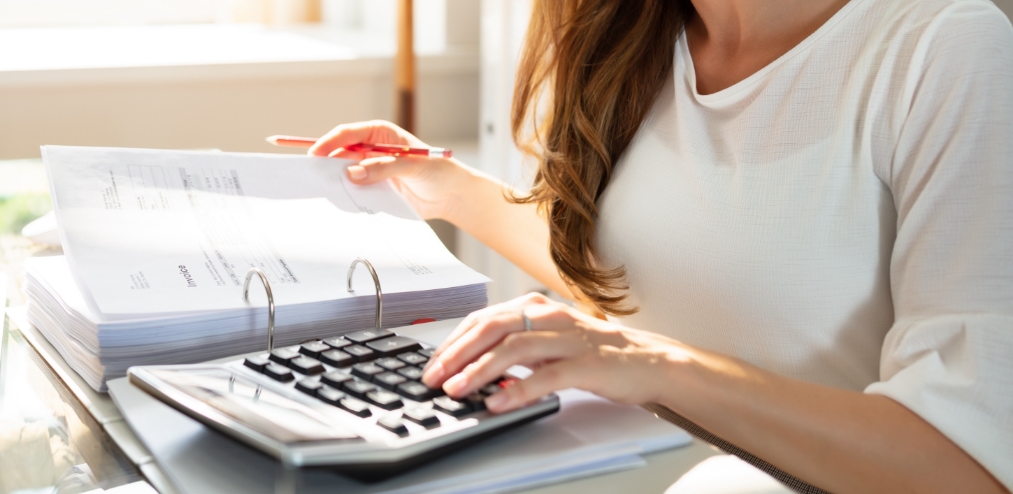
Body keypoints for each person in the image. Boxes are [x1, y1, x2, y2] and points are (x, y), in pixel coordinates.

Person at [308, 0, 1013, 492]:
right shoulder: (634, 36)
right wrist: (455, 191)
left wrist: (655, 366)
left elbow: (965, 465)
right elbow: (656, 281)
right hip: (633, 454)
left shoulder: (946, 48)